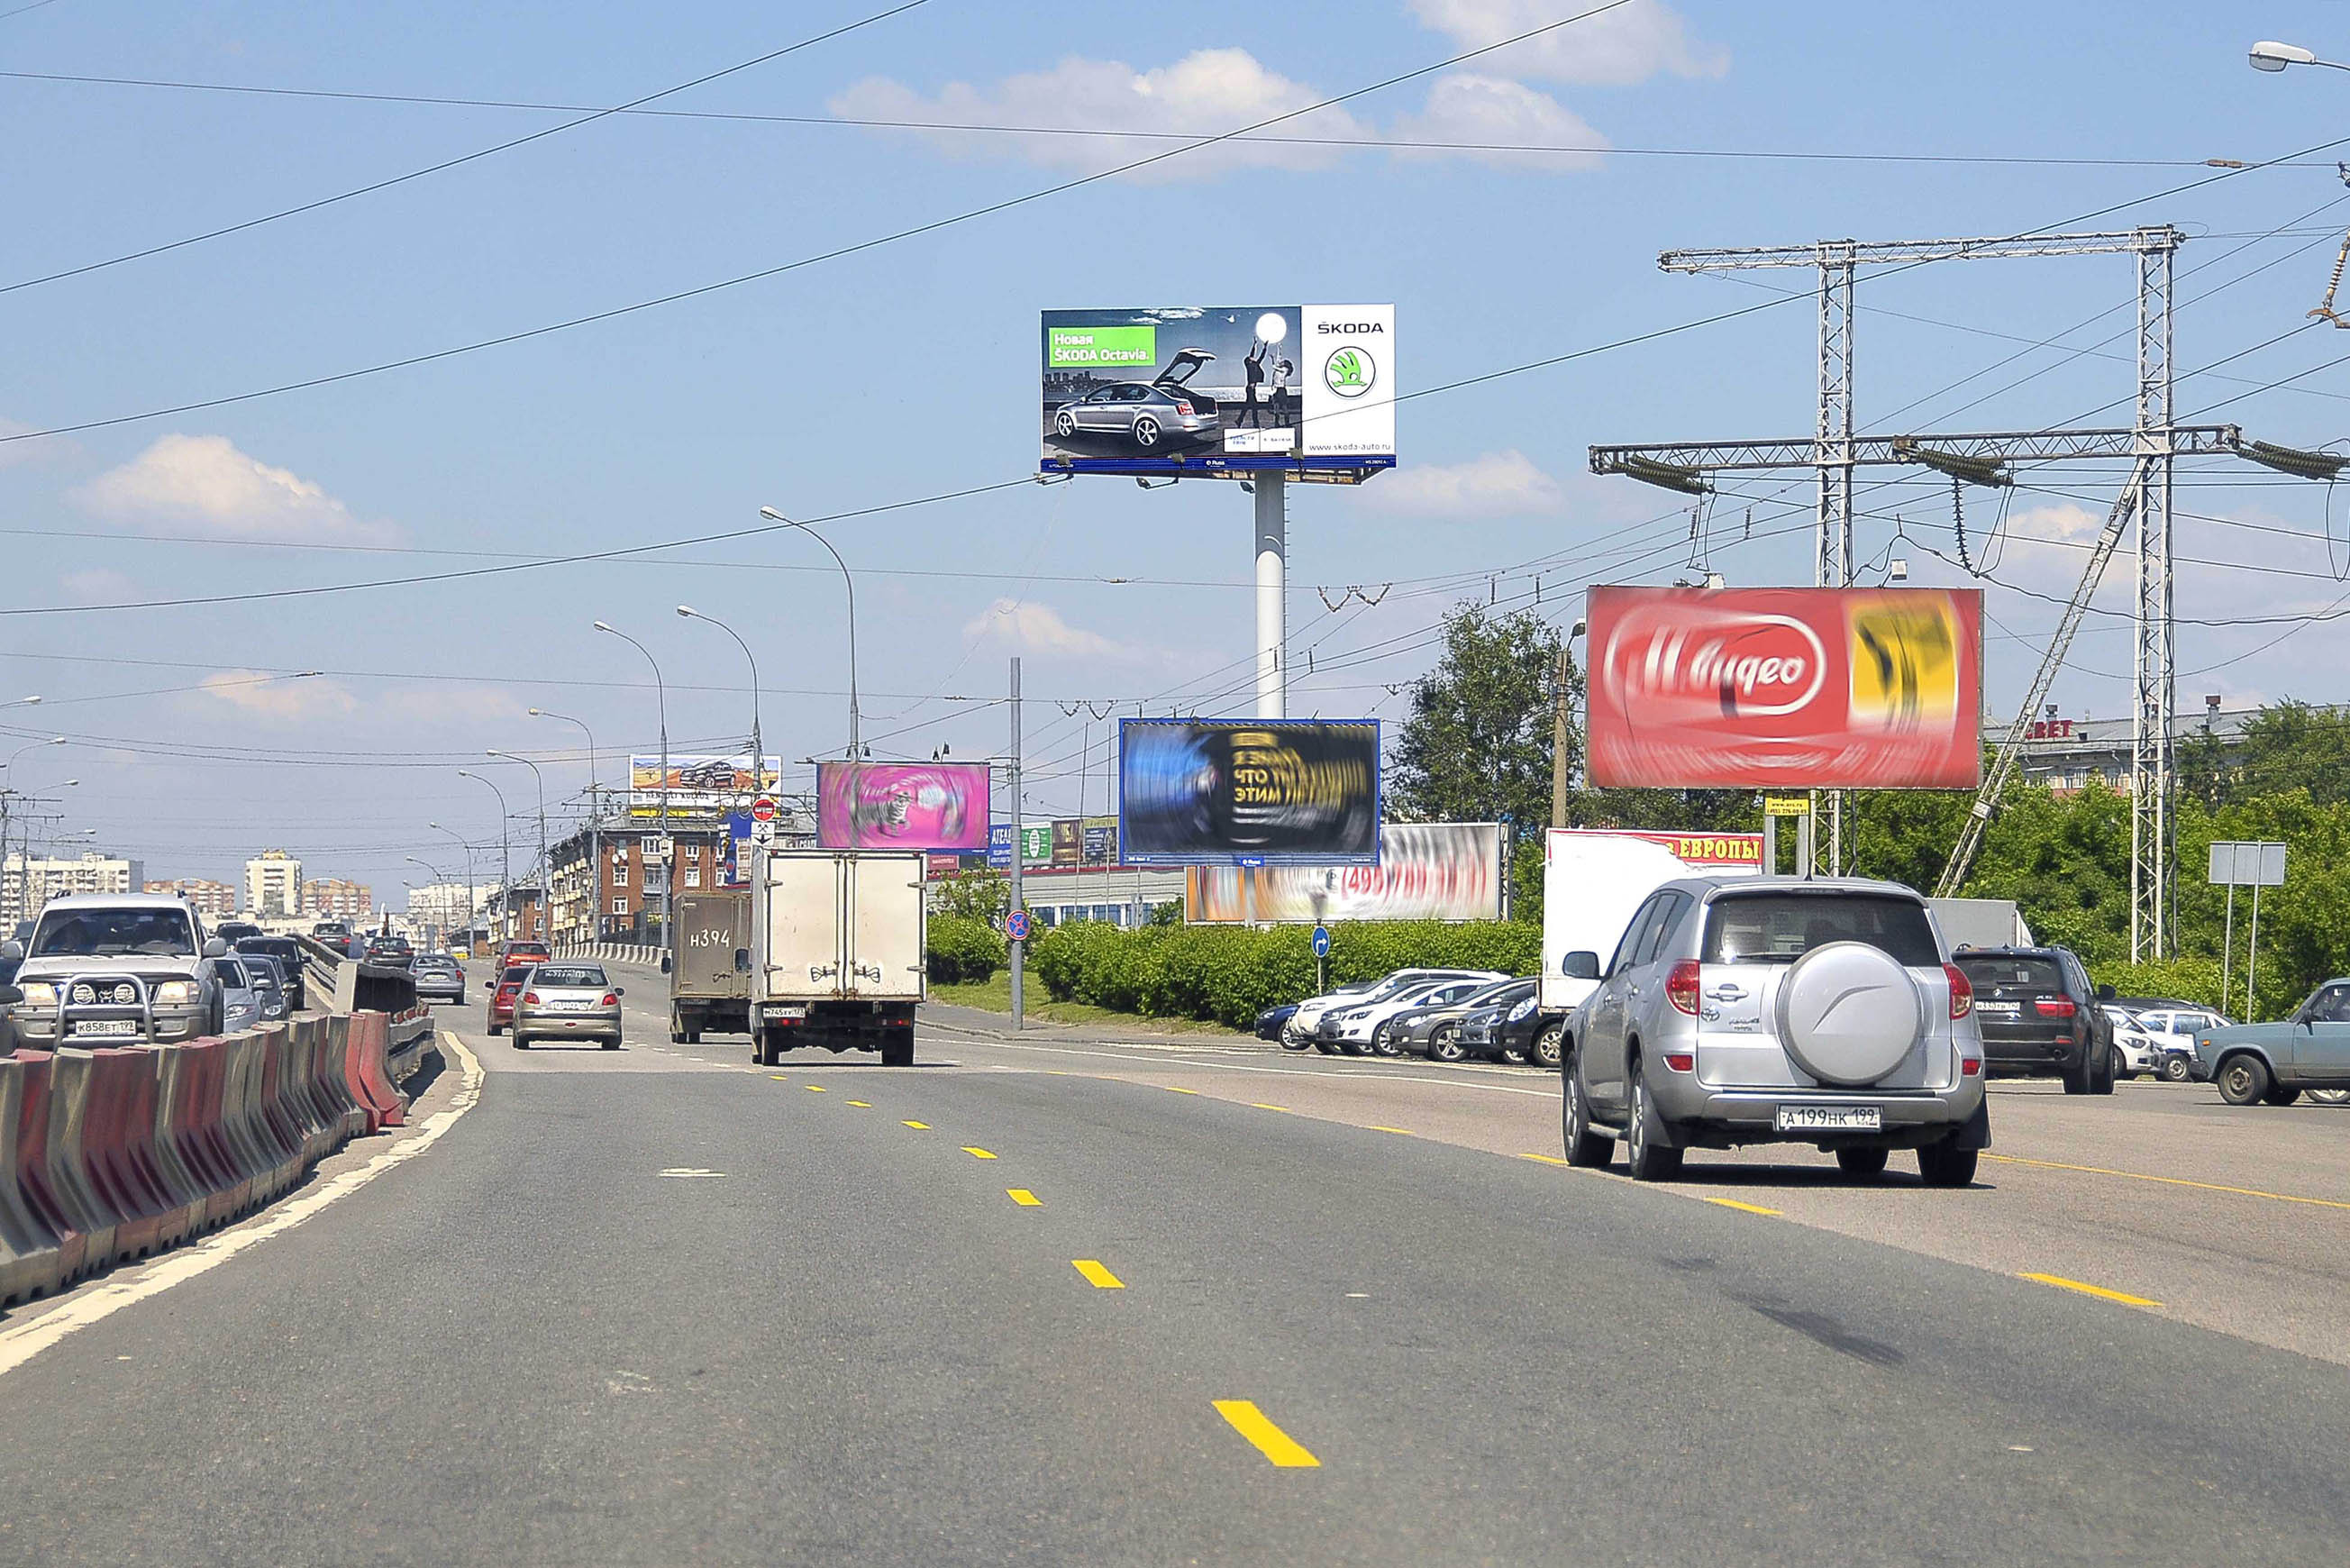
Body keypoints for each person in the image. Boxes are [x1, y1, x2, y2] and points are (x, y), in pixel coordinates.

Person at [1242, 338, 1267, 428]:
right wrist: (1254, 346)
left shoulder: (1255, 365)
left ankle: (1239, 420)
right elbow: (1252, 354)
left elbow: (1262, 357)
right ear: (1249, 361)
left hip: (1252, 389)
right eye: (1251, 358)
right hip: (1250, 389)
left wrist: (1264, 347)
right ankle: (1256, 424)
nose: (1253, 357)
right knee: (1254, 407)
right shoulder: (1249, 366)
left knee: (1248, 406)